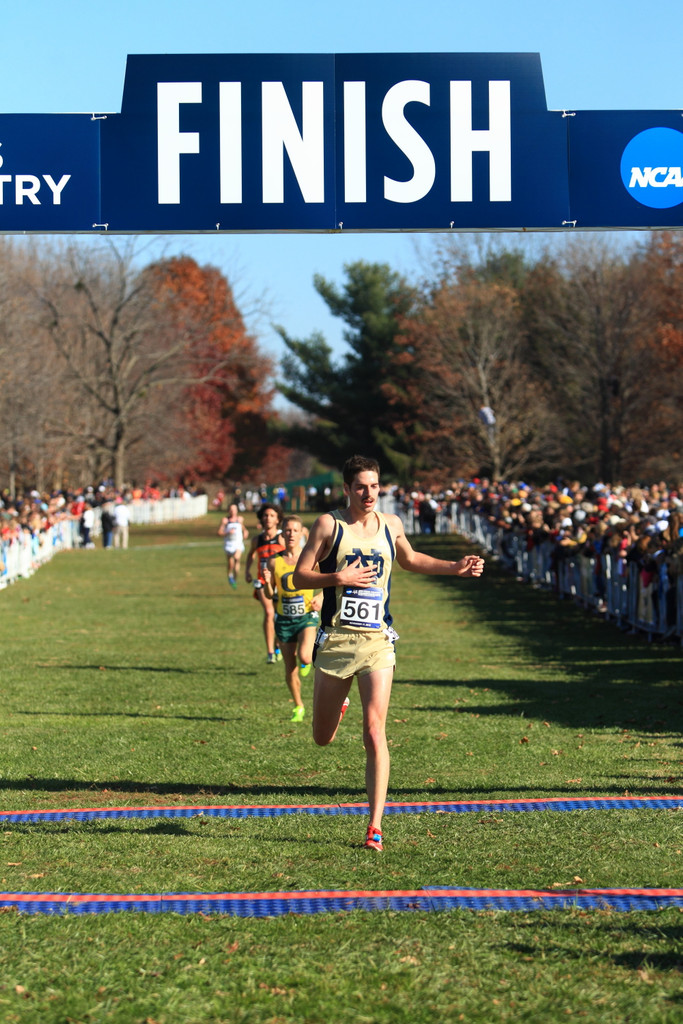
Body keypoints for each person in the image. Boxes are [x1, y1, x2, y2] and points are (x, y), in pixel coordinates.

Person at [292, 454, 484, 852]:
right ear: (346, 489)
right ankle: (336, 706)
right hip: (338, 641)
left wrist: (455, 567)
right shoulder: (330, 525)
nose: (368, 493)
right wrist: (337, 577)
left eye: (374, 486)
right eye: (360, 486)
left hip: (379, 641)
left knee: (375, 731)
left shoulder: (391, 524)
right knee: (322, 738)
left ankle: (374, 827)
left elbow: (411, 560)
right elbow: (299, 575)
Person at [262, 515, 323, 722]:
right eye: (287, 530)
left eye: (295, 530)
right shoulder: (273, 562)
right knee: (290, 668)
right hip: (284, 620)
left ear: (302, 533)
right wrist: (268, 583)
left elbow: (327, 579)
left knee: (305, 656)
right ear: (282, 533)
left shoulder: (310, 558)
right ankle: (298, 705)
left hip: (306, 616)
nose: (291, 534)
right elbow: (270, 595)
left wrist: (321, 597)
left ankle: (306, 660)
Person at [244, 503, 285, 664]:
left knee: (280, 616)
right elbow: (250, 555)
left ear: (278, 520)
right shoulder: (257, 540)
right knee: (269, 613)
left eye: (272, 516)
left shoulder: (282, 538)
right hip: (261, 581)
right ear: (261, 518)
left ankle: (277, 645)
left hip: (280, 583)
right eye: (265, 515)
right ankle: (270, 652)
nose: (268, 518)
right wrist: (247, 571)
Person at [218, 503, 248, 588]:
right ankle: (230, 575)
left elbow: (243, 529)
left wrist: (245, 532)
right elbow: (219, 532)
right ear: (229, 511)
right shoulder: (225, 520)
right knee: (230, 564)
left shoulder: (240, 519)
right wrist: (227, 532)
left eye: (234, 509)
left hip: (238, 543)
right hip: (229, 544)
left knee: (237, 558)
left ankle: (235, 578)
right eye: (231, 510)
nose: (233, 511)